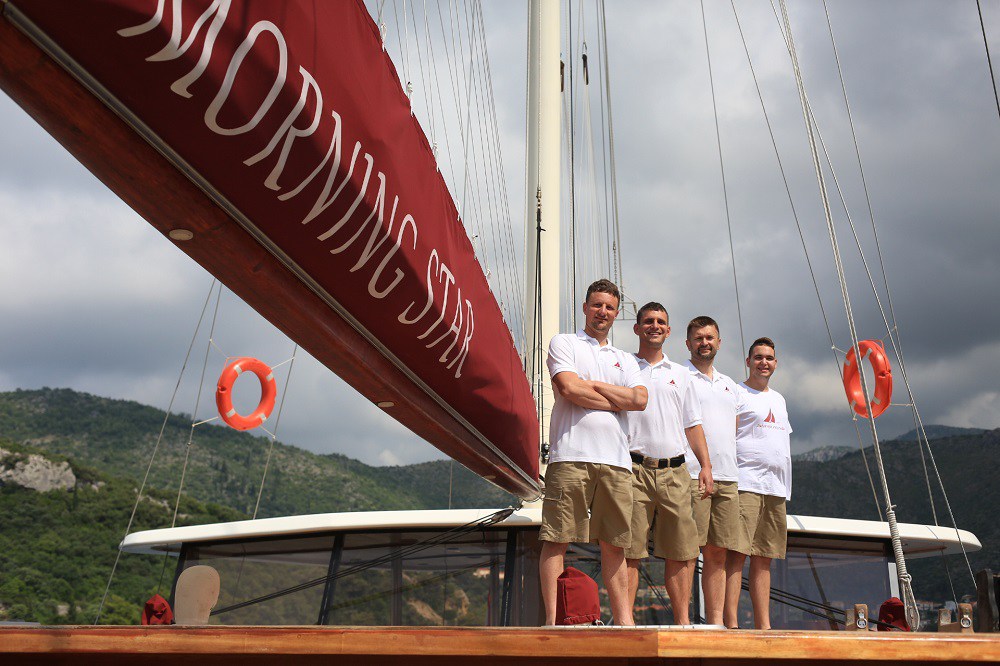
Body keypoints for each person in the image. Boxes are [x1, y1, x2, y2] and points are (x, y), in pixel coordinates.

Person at [540, 279, 648, 626]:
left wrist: (594, 385)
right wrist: (616, 399)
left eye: (609, 307)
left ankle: (624, 623)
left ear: (616, 314)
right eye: (597, 305)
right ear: (585, 307)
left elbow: (640, 400)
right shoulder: (564, 343)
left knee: (616, 544)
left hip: (617, 462)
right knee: (557, 538)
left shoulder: (625, 359)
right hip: (570, 455)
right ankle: (553, 623)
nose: (603, 312)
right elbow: (569, 389)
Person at [624, 302, 713, 625]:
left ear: (669, 330)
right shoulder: (624, 367)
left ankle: (683, 624)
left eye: (661, 321)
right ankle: (625, 623)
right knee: (629, 550)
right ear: (637, 328)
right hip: (632, 469)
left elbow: (693, 423)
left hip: (675, 471)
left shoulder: (681, 374)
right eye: (648, 321)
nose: (655, 326)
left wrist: (706, 466)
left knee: (680, 551)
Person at [723, 337, 792, 630]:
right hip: (745, 483)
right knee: (736, 555)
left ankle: (764, 626)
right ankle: (731, 624)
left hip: (775, 488)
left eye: (769, 358)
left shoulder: (779, 400)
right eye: (759, 357)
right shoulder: (736, 393)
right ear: (748, 361)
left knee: (765, 557)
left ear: (775, 363)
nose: (764, 362)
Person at [683, 316, 742, 627]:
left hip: (728, 477)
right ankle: (683, 621)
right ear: (688, 343)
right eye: (698, 338)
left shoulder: (730, 384)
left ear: (719, 342)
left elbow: (734, 428)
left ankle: (716, 623)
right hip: (692, 474)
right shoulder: (680, 377)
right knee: (687, 551)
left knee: (718, 553)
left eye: (709, 338)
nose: (704, 343)